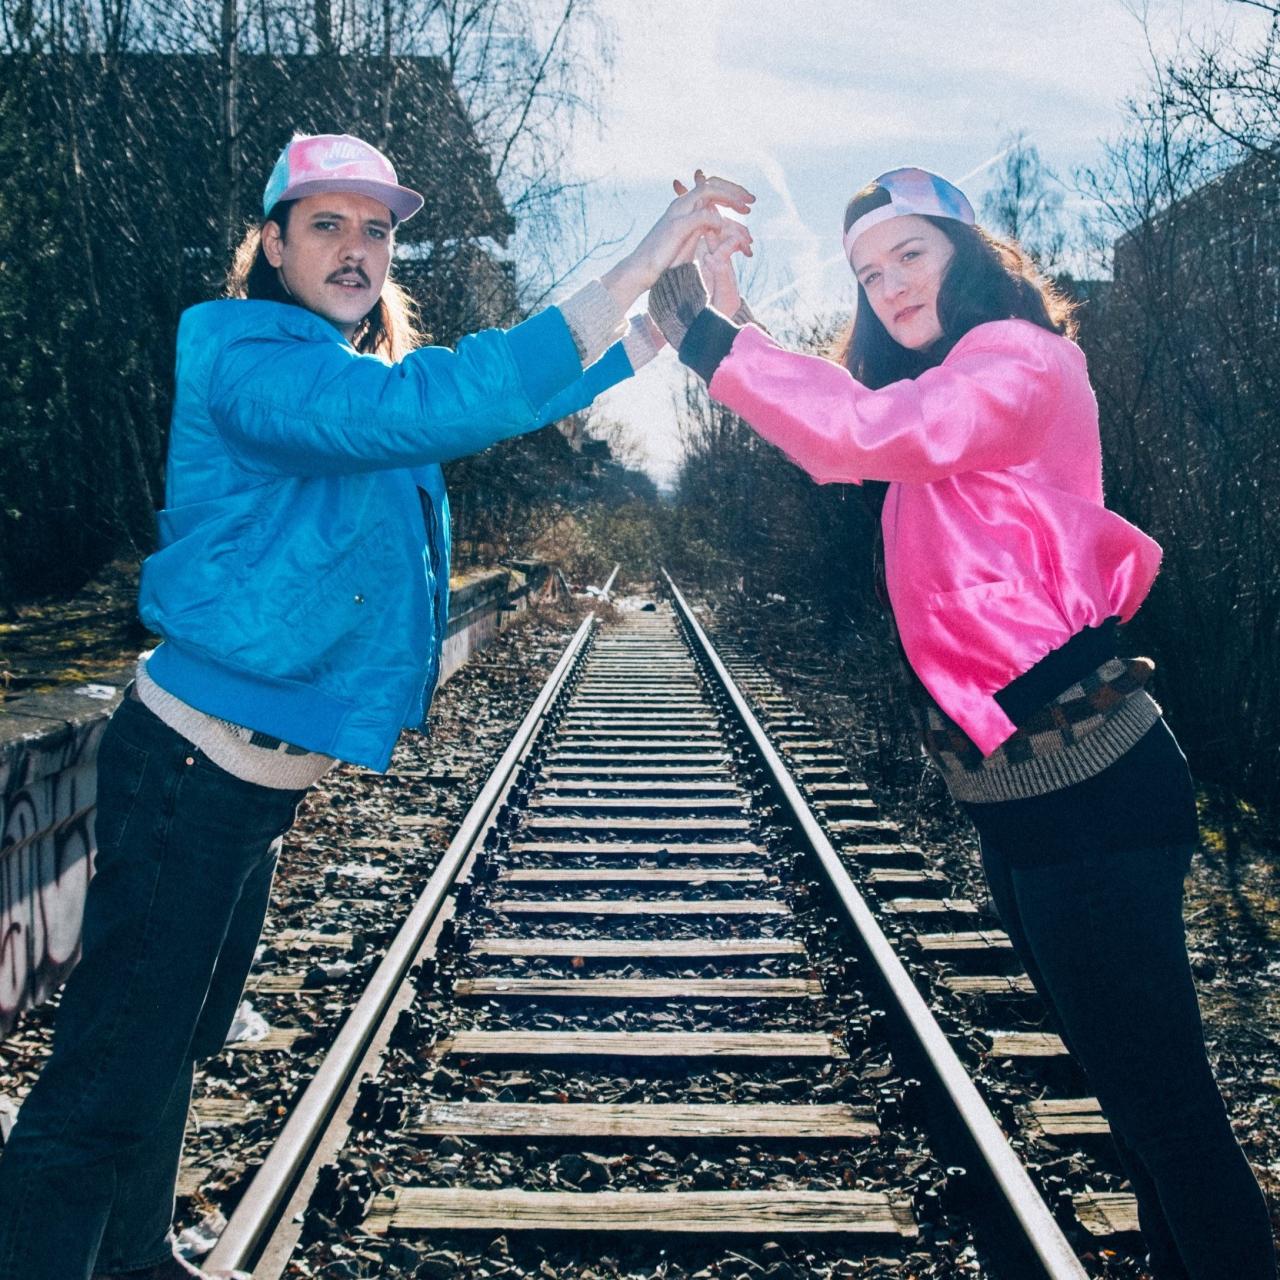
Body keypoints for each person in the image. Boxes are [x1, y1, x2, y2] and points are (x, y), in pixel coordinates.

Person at [0, 133, 753, 1280]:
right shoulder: (251, 357)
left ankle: (139, 1258)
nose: (358, 249)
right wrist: (639, 261)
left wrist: (662, 327)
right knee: (107, 1076)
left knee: (174, 1044)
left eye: (377, 228)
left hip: (240, 783)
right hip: (193, 766)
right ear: (270, 242)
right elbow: (442, 402)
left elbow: (474, 403)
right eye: (326, 224)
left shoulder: (341, 369)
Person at [647, 166, 1277, 1280]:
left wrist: (711, 345)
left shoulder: (1020, 365)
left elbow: (852, 434)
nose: (887, 284)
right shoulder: (946, 395)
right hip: (1025, 799)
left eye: (910, 254)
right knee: (1136, 1113)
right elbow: (851, 429)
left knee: (1168, 1116)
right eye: (866, 271)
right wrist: (731, 317)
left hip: (1089, 788)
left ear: (967, 253)